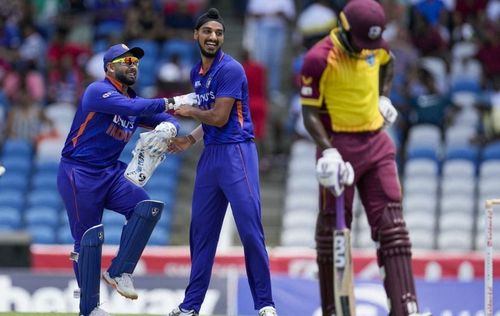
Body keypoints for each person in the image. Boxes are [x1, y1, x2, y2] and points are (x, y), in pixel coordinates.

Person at [300, 1, 431, 315]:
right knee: (333, 232)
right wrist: (327, 150)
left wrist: (384, 95)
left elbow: (388, 60)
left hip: (376, 142)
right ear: (344, 28)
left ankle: (405, 307)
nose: (365, 50)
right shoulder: (319, 58)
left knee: (393, 228)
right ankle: (333, 308)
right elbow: (309, 114)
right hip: (337, 147)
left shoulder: (374, 44)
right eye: (361, 43)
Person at [57, 43, 196, 316]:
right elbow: (136, 107)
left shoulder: (133, 101)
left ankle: (120, 271)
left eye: (135, 61)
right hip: (79, 172)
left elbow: (159, 116)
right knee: (87, 239)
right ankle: (89, 309)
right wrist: (173, 102)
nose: (133, 64)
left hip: (109, 172)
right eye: (126, 60)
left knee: (147, 208)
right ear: (110, 67)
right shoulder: (97, 91)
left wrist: (169, 125)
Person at [166, 8, 277, 316]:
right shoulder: (196, 74)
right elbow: (210, 121)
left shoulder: (231, 69)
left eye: (218, 33)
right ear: (196, 35)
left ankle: (265, 305)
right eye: (207, 32)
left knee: (250, 230)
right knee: (201, 233)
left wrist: (187, 111)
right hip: (211, 154)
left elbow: (219, 116)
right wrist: (189, 140)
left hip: (237, 152)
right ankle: (190, 307)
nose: (213, 37)